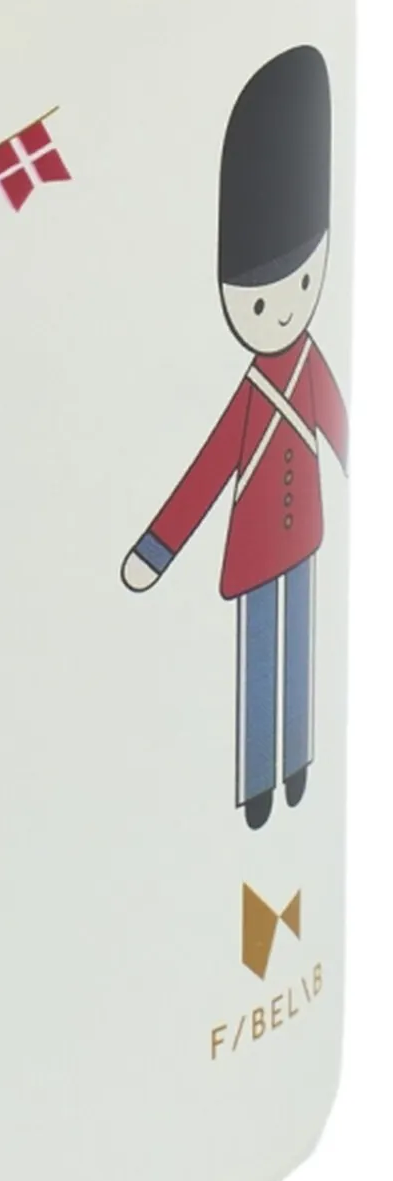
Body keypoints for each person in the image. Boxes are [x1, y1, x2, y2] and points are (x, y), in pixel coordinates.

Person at [122, 47, 348, 830]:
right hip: (256, 546)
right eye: (258, 304)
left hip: (304, 533)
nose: (282, 311)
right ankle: (259, 779)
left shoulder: (309, 364)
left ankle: (297, 760)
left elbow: (340, 425)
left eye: (300, 285)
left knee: (300, 644)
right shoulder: (252, 392)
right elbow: (209, 471)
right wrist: (157, 548)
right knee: (262, 656)